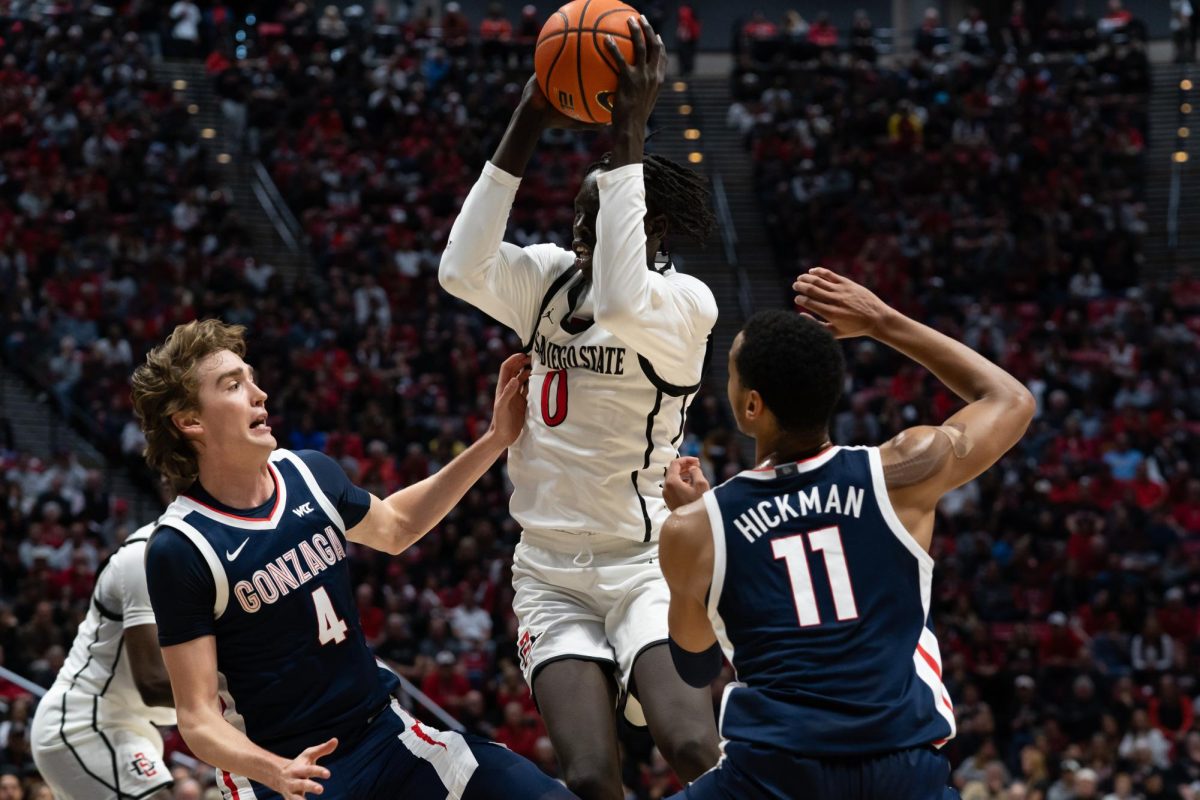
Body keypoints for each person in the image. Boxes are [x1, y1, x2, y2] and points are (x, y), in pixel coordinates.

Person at [438, 15, 720, 800]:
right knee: (591, 778)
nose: (576, 238)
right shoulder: (552, 281)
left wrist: (631, 126)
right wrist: (529, 114)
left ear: (644, 226)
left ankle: (643, 691)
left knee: (693, 742)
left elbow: (626, 300)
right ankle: (621, 701)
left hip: (644, 563)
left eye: (592, 227)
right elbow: (461, 269)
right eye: (576, 225)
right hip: (550, 571)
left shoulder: (683, 304)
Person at [131, 320, 574, 800]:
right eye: (233, 386)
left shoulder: (310, 473)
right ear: (190, 420)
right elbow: (196, 718)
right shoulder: (181, 546)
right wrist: (275, 770)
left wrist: (494, 439)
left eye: (252, 378)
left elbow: (398, 527)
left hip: (383, 735)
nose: (258, 394)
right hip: (286, 774)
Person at [658, 268, 1036, 800]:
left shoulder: (696, 526)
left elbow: (695, 662)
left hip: (775, 776)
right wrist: (882, 321)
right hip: (901, 771)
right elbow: (1011, 400)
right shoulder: (902, 471)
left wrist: (699, 521)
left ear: (751, 405)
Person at [30, 520, 176, 800]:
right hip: (83, 722)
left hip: (132, 727)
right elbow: (153, 684)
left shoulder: (217, 558)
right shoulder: (143, 554)